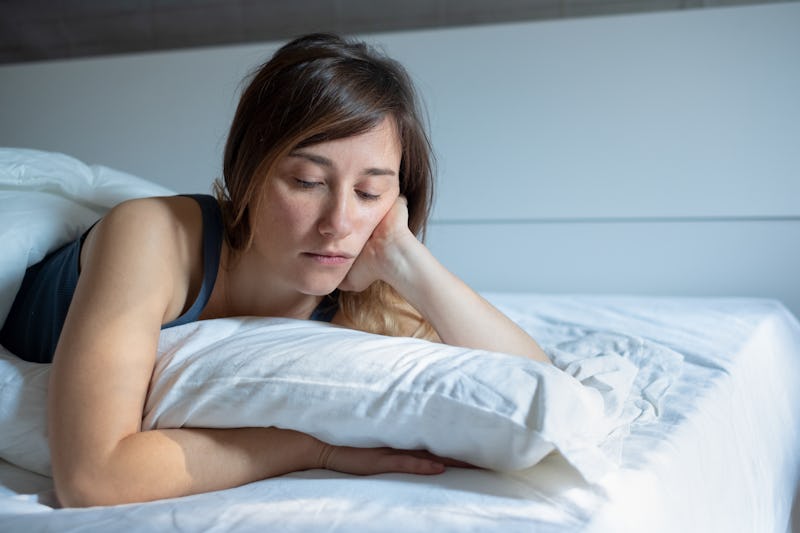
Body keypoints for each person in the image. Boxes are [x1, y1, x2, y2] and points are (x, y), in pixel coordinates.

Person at [0, 33, 550, 507]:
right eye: (308, 182)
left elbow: (538, 388)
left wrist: (405, 257)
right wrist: (314, 448)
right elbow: (94, 478)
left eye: (369, 191)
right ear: (249, 173)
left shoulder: (363, 289)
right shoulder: (150, 237)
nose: (339, 223)